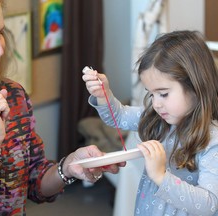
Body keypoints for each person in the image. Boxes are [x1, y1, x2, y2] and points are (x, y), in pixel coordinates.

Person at [0, 1, 124, 215]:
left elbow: (34, 181)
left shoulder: (12, 94)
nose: (0, 48)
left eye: (0, 33)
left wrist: (68, 166)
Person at [82, 30, 218, 215]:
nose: (156, 103)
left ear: (195, 86)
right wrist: (103, 95)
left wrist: (161, 176)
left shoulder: (212, 141)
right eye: (151, 94)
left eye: (163, 94)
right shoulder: (158, 119)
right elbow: (119, 117)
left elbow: (209, 205)